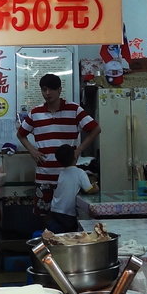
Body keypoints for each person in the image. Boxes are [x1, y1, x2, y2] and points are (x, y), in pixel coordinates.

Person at [17, 73, 101, 207]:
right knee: (43, 214)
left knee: (68, 213)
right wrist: (32, 151)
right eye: (44, 89)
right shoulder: (35, 113)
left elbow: (95, 129)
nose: (47, 93)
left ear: (59, 90)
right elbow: (21, 134)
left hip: (68, 177)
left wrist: (79, 150)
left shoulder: (74, 109)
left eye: (51, 89)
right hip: (44, 176)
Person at [46, 143, 98, 233]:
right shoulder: (80, 172)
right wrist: (96, 187)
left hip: (55, 209)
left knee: (57, 234)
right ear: (75, 157)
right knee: (70, 234)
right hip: (67, 212)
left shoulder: (61, 173)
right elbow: (89, 190)